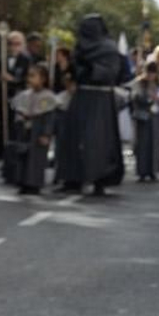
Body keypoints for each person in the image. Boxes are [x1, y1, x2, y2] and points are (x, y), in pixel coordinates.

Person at [59, 14, 129, 196]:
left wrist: (91, 68)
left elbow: (111, 73)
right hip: (81, 95)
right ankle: (72, 178)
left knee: (99, 141)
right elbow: (75, 70)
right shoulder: (80, 46)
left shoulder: (109, 48)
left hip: (100, 100)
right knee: (72, 138)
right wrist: (71, 67)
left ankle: (100, 178)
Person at [10, 63, 59, 195]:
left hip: (38, 132)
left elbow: (49, 118)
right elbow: (18, 110)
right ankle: (22, 182)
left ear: (43, 79)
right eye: (29, 76)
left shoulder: (48, 97)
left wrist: (46, 134)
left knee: (36, 159)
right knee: (23, 157)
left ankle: (34, 184)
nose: (30, 79)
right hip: (25, 131)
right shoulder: (24, 95)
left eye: (33, 76)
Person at [128, 62, 159, 181]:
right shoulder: (139, 82)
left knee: (155, 144)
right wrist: (146, 98)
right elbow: (133, 96)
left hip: (156, 116)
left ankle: (153, 171)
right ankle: (142, 171)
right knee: (142, 145)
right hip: (142, 116)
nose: (151, 76)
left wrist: (157, 98)